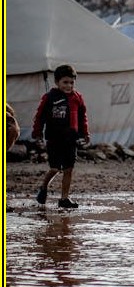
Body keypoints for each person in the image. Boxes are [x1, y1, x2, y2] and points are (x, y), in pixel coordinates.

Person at [31, 64, 89, 209]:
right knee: (55, 169)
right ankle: (44, 188)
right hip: (54, 139)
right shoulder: (50, 97)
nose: (69, 85)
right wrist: (37, 134)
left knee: (69, 169)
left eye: (71, 82)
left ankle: (64, 198)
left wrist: (85, 134)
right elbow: (40, 117)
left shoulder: (77, 98)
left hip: (71, 140)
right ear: (57, 82)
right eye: (65, 82)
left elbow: (83, 117)